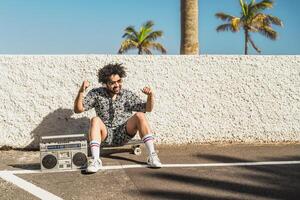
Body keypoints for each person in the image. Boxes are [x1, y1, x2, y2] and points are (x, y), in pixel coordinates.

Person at [74, 63, 162, 173]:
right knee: (95, 120)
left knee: (140, 115)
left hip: (124, 132)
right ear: (105, 83)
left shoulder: (127, 95)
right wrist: (81, 92)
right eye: (112, 83)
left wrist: (150, 96)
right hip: (105, 134)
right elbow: (78, 109)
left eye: (119, 81)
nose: (117, 85)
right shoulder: (97, 94)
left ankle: (152, 156)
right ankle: (96, 160)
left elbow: (147, 108)